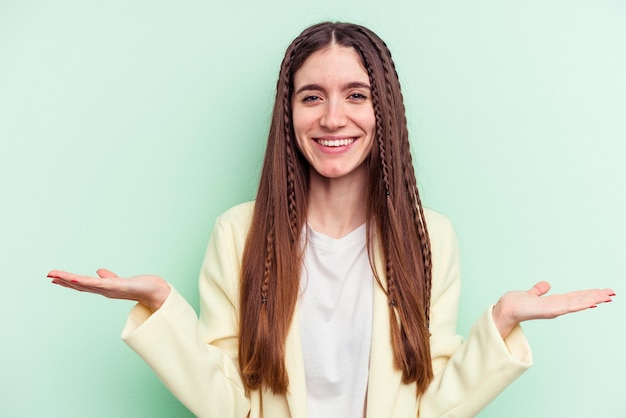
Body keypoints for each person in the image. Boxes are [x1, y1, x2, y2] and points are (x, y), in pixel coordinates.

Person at [47, 22, 615, 418]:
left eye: (356, 95)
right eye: (312, 97)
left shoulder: (429, 237)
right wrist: (161, 307)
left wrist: (502, 321)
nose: (333, 117)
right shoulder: (238, 235)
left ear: (382, 108)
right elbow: (231, 407)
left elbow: (430, 408)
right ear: (289, 112)